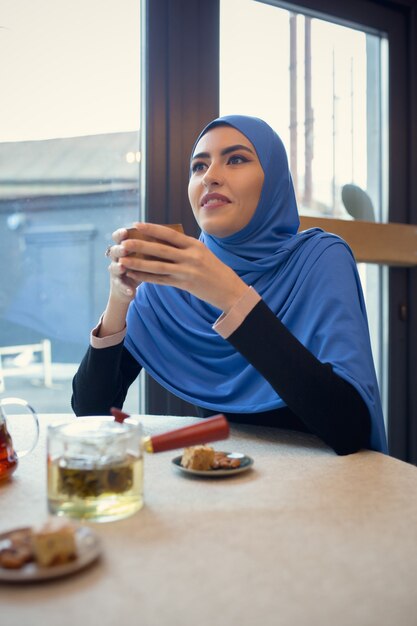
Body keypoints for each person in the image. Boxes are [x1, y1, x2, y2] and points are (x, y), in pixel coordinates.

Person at [72, 114, 388, 456]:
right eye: (198, 166)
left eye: (236, 159)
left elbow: (349, 429)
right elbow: (91, 415)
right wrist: (119, 301)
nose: (210, 177)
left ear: (274, 180)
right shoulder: (174, 280)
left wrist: (230, 294)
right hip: (219, 491)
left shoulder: (321, 257)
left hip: (319, 493)